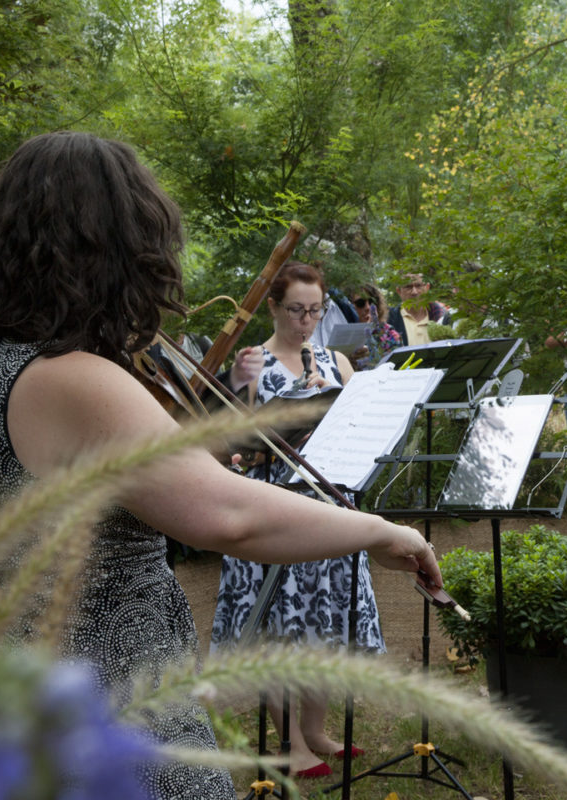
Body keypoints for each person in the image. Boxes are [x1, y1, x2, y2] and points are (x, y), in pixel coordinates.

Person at [0, 132, 441, 799]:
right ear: (113, 247)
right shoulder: (77, 377)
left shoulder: (11, 366)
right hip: (113, 695)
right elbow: (226, 514)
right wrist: (379, 530)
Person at [211, 261, 380, 778]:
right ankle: (288, 742)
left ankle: (313, 728)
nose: (305, 322)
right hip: (273, 508)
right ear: (273, 308)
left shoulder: (337, 363)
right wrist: (241, 386)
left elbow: (360, 430)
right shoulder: (252, 362)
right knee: (281, 625)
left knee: (324, 620)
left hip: (329, 505)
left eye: (314, 311)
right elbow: (221, 441)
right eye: (295, 311)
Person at [386, 272, 451, 346]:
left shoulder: (441, 317)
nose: (414, 292)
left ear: (427, 287)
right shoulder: (390, 320)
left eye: (418, 285)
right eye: (408, 287)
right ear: (399, 291)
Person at [348, 283, 400, 369]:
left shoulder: (389, 333)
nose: (368, 307)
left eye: (372, 302)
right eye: (360, 303)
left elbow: (399, 364)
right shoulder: (347, 335)